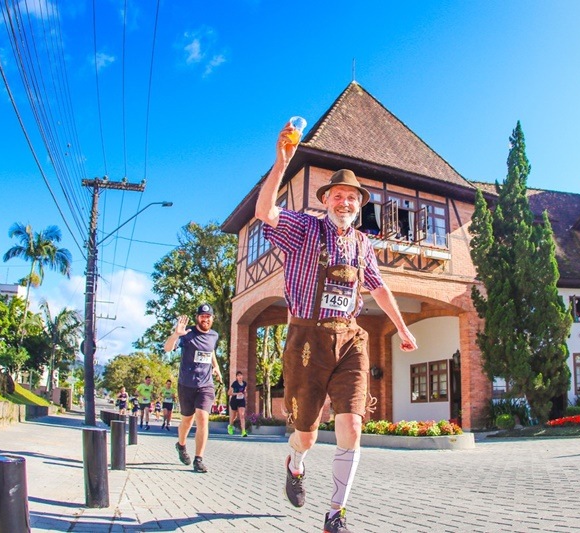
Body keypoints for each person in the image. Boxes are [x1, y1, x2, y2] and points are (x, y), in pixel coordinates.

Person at [255, 123, 418, 533]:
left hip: (350, 338)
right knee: (306, 436)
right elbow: (264, 214)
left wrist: (402, 328)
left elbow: (379, 290)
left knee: (351, 425)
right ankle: (295, 464)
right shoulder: (304, 229)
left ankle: (336, 513)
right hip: (307, 338)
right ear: (327, 199)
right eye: (339, 196)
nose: (345, 202)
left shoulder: (365, 245)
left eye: (352, 198)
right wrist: (281, 164)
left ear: (358, 205)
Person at [164, 304, 223, 474]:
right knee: (187, 421)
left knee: (203, 418)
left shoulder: (214, 335)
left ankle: (199, 459)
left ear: (212, 318)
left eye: (208, 316)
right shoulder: (187, 334)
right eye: (202, 316)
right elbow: (167, 348)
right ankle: (181, 445)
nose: (206, 319)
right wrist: (176, 334)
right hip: (186, 384)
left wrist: (216, 367)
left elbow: (210, 352)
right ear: (197, 317)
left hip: (205, 385)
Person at [228, 371, 248, 437]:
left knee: (242, 415)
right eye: (238, 376)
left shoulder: (245, 383)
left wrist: (245, 394)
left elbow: (244, 391)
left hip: (241, 401)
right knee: (234, 416)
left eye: (241, 375)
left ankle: (243, 431)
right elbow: (229, 393)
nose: (240, 377)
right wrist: (237, 394)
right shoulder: (234, 384)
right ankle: (230, 426)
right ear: (236, 377)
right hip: (234, 401)